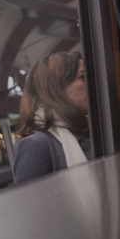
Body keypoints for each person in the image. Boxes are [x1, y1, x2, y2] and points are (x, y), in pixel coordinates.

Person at [12, 51, 91, 184]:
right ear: (56, 88)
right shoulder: (35, 145)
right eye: (82, 77)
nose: (91, 83)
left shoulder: (91, 129)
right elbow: (33, 203)